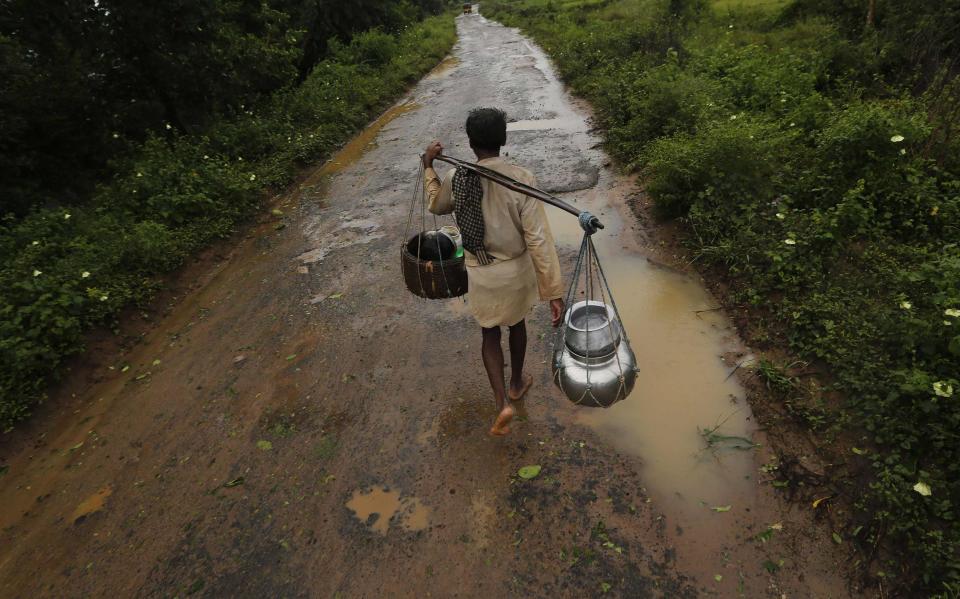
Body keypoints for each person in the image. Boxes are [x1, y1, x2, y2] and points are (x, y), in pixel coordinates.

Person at [422, 107, 565, 436]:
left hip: (482, 273)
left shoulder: (459, 177)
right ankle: (516, 383)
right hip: (515, 273)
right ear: (502, 139)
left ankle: (502, 402)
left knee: (489, 334)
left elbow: (437, 206)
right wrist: (553, 291)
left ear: (471, 143)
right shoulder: (522, 180)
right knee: (517, 325)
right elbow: (539, 240)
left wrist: (429, 167)